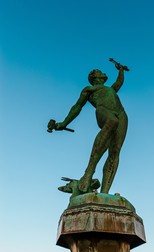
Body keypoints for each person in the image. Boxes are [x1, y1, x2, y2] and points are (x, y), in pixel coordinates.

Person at [48, 62, 128, 194]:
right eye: (98, 71)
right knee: (111, 121)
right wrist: (64, 123)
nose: (102, 72)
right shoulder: (89, 89)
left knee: (115, 151)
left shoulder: (111, 89)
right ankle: (89, 171)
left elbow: (118, 83)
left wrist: (121, 70)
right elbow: (77, 107)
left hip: (122, 114)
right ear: (95, 77)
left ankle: (105, 192)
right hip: (103, 110)